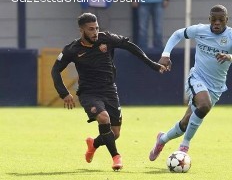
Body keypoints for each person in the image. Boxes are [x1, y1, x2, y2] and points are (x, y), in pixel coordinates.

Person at [51, 13, 166, 170]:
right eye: (91, 29)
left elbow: (130, 46)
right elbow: (55, 70)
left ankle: (94, 143)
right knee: (103, 118)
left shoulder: (106, 39)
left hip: (110, 90)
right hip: (88, 93)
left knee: (115, 133)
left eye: (97, 28)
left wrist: (152, 64)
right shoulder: (72, 49)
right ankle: (116, 157)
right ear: (81, 30)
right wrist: (64, 93)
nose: (95, 32)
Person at [148, 4, 232, 161]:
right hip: (197, 78)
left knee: (185, 123)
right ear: (209, 19)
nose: (217, 23)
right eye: (214, 19)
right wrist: (166, 54)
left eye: (221, 20)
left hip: (216, 87)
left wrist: (231, 57)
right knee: (204, 105)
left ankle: (162, 139)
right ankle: (184, 147)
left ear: (227, 20)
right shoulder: (200, 30)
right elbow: (177, 34)